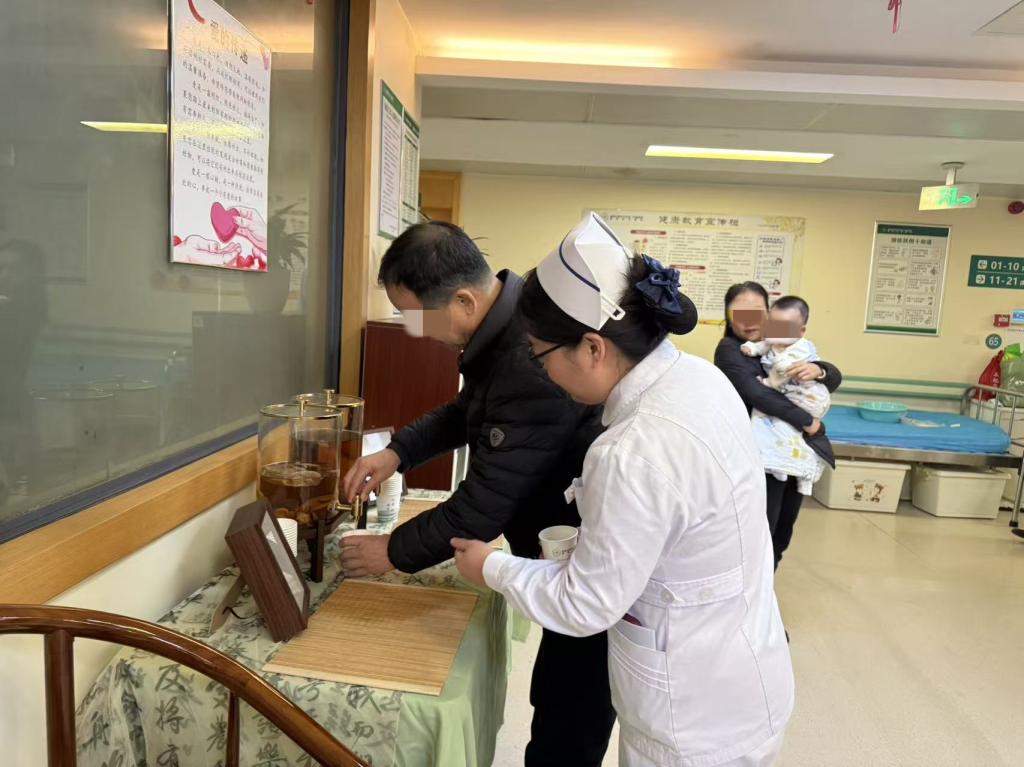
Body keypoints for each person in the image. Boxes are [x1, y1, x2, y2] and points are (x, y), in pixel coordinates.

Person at [451, 213, 794, 767]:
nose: (540, 372)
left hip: (690, 719)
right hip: (744, 671)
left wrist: (491, 567)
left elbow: (584, 604)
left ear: (592, 348)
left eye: (540, 355)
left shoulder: (630, 450)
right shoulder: (701, 379)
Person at [340, 221, 616, 766]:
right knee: (558, 690)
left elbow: (483, 504)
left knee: (570, 713)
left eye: (418, 317)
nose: (416, 333)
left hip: (584, 552)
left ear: (464, 300)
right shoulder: (510, 323)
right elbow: (469, 411)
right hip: (559, 542)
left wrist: (392, 550)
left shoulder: (526, 355)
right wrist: (397, 452)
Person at [715, 283, 842, 570]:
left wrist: (820, 370)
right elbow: (758, 394)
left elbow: (833, 376)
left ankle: (766, 588)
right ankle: (752, 591)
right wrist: (808, 422)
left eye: (757, 312)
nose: (750, 321)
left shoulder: (782, 342)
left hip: (793, 449)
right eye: (740, 313)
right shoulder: (730, 350)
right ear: (728, 317)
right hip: (757, 454)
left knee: (782, 532)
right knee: (760, 532)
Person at [740, 295, 830, 494]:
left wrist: (767, 383)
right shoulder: (777, 341)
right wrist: (751, 348)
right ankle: (777, 465)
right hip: (787, 394)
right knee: (772, 430)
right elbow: (763, 345)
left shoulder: (800, 348)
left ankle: (801, 474)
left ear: (801, 331)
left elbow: (782, 372)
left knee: (787, 433)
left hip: (808, 397)